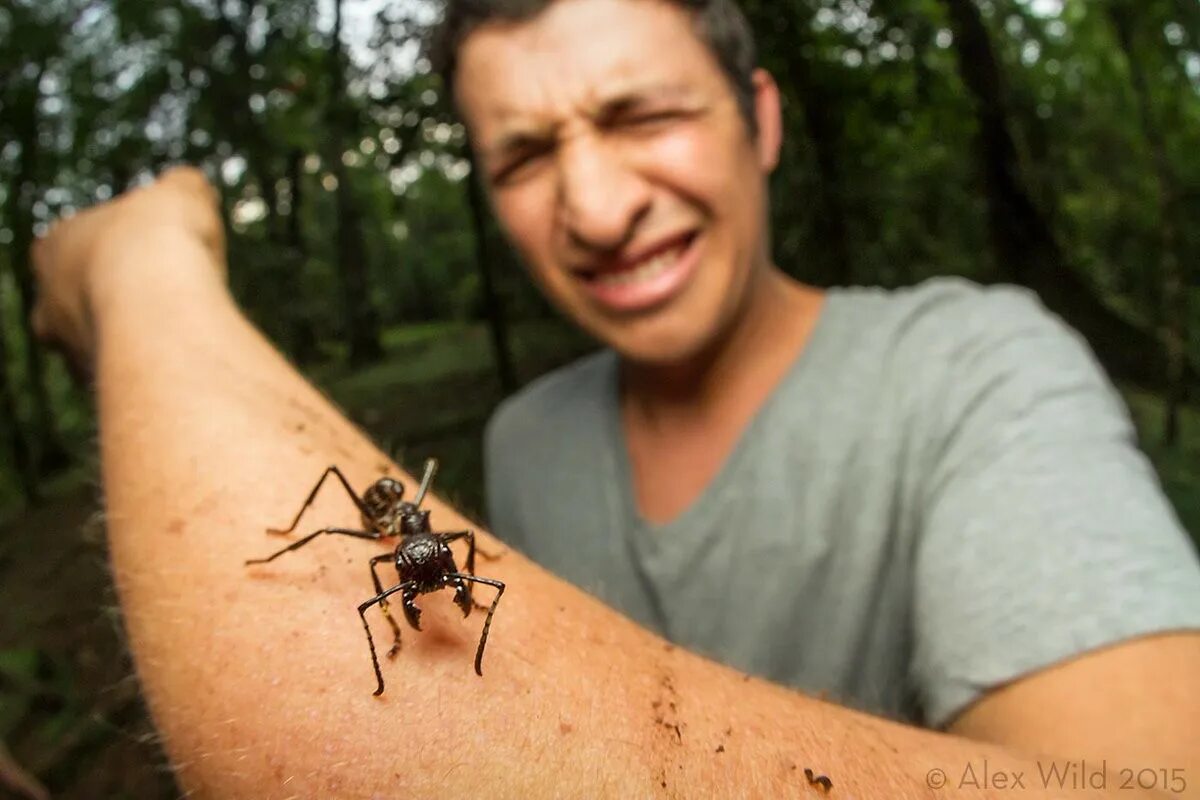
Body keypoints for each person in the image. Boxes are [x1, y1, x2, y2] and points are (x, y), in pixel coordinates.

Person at [27, 0, 1199, 797]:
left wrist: (145, 276)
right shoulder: (523, 435)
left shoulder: (982, 369)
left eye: (644, 112)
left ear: (764, 120)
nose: (592, 205)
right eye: (525, 155)